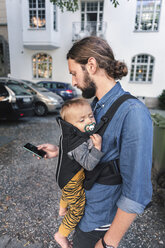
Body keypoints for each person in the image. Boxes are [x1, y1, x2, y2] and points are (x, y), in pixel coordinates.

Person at [38, 36, 153, 248]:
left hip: (99, 229)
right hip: (85, 217)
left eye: (74, 73)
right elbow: (87, 145)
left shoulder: (133, 113)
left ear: (91, 65)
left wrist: (108, 243)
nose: (72, 81)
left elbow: (137, 193)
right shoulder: (97, 106)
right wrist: (61, 150)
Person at [52, 98, 104, 248]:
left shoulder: (68, 136)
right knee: (77, 208)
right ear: (71, 125)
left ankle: (62, 208)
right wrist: (97, 147)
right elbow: (88, 164)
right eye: (82, 120)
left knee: (68, 193)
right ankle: (61, 234)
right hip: (71, 179)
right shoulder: (77, 144)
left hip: (64, 178)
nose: (89, 121)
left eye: (90, 116)